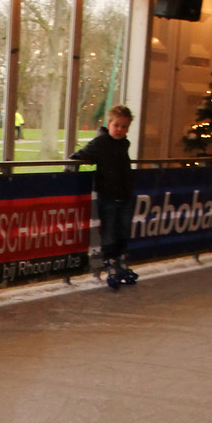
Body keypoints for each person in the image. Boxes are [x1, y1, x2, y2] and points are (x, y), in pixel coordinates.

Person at [69, 105, 138, 289]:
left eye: (124, 126)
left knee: (123, 230)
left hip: (125, 195)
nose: (120, 130)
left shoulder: (124, 144)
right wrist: (78, 163)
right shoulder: (101, 142)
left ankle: (121, 261)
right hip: (108, 196)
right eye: (116, 125)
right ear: (109, 125)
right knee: (109, 231)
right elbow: (79, 155)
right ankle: (110, 263)